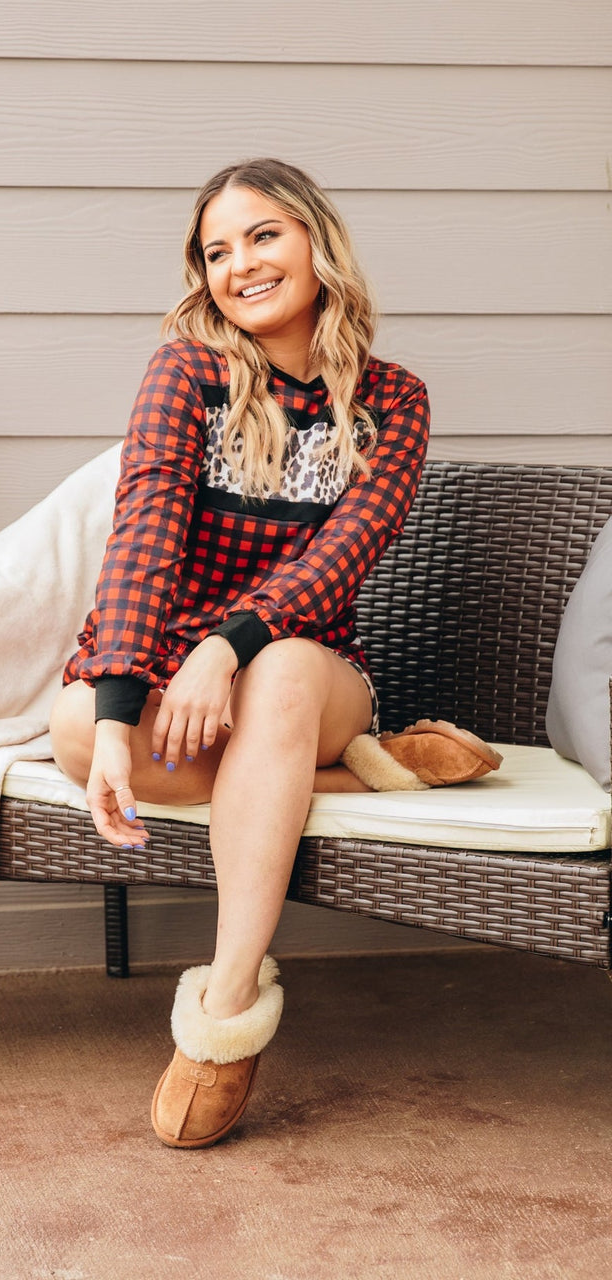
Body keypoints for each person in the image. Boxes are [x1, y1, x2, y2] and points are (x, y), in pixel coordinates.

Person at [48, 157, 501, 1149]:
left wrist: (227, 643)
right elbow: (144, 531)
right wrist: (125, 703)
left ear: (313, 242)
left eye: (262, 235)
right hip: (181, 673)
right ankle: (373, 767)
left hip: (306, 669)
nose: (239, 264)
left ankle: (225, 1009)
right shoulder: (186, 372)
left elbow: (342, 558)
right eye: (216, 249)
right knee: (77, 729)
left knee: (284, 669)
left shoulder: (394, 401)